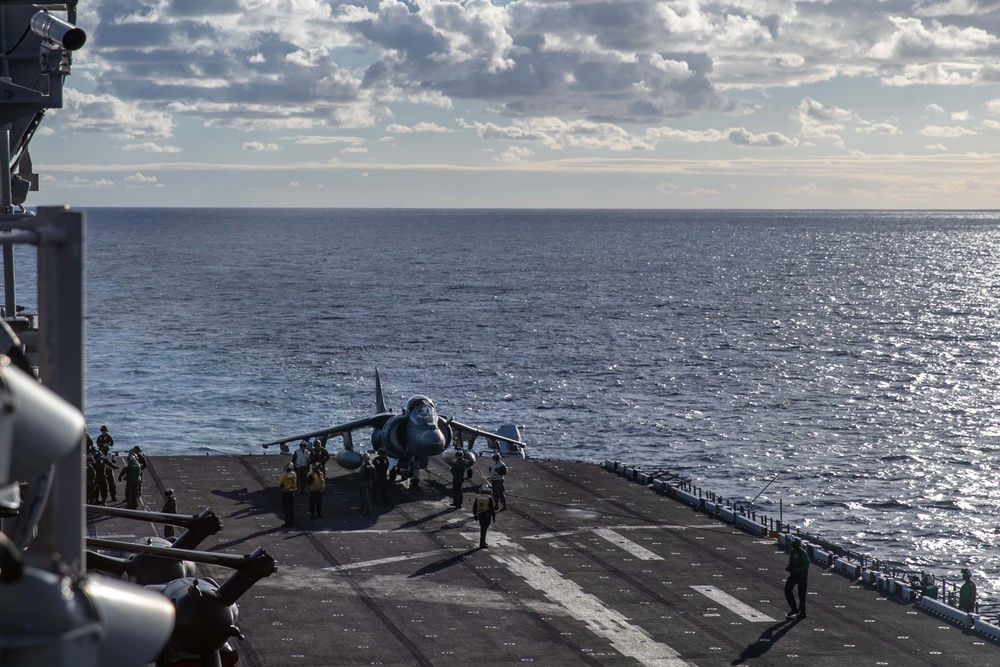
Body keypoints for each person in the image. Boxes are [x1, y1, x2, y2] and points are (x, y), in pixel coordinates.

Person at [784, 537, 809, 619]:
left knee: (801, 594)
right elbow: (791, 562)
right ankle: (794, 608)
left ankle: (803, 612)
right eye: (793, 545)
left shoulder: (803, 553)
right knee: (787, 589)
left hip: (802, 576)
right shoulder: (793, 552)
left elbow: (806, 566)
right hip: (794, 575)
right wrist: (789, 567)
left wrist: (796, 570)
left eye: (795, 545)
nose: (794, 547)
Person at [473, 484, 496, 549]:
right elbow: (491, 508)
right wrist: (493, 516)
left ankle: (483, 542)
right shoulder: (489, 498)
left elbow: (474, 507)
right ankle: (482, 543)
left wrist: (475, 515)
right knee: (484, 529)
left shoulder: (478, 497)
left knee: (482, 528)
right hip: (486, 514)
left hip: (480, 514)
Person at [278, 463, 297, 527]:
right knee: (291, 508)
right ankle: (292, 522)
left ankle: (287, 523)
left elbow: (281, 483)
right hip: (292, 492)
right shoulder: (294, 474)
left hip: (286, 492)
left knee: (285, 508)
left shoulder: (286, 475)